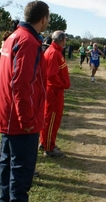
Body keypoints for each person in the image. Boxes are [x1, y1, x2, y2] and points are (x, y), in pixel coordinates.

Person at [0, 0, 49, 202]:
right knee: (20, 177)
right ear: (44, 19)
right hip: (21, 121)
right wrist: (27, 120)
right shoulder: (29, 42)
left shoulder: (13, 37)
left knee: (7, 172)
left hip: (9, 116)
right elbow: (21, 84)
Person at [39, 30, 71, 158]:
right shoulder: (53, 53)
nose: (66, 42)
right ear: (62, 40)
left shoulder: (56, 51)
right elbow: (51, 75)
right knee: (51, 119)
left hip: (55, 91)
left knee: (51, 119)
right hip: (53, 92)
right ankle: (49, 147)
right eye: (65, 39)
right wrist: (63, 84)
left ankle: (45, 142)